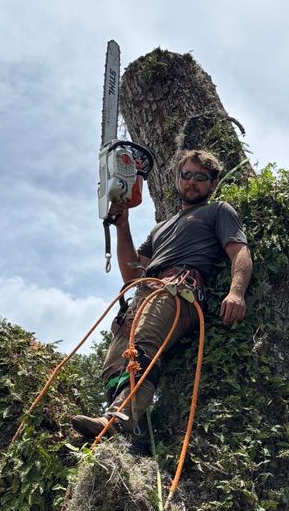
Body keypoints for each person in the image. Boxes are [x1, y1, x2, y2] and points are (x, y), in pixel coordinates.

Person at [70, 149, 253, 441]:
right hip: (145, 293)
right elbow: (132, 274)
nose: (192, 182)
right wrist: (123, 225)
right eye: (187, 175)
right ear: (177, 179)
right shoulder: (159, 229)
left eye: (201, 177)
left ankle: (119, 421)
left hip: (178, 290)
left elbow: (239, 251)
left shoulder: (218, 210)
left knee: (141, 347)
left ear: (213, 183)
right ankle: (129, 424)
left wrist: (236, 292)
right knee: (113, 364)